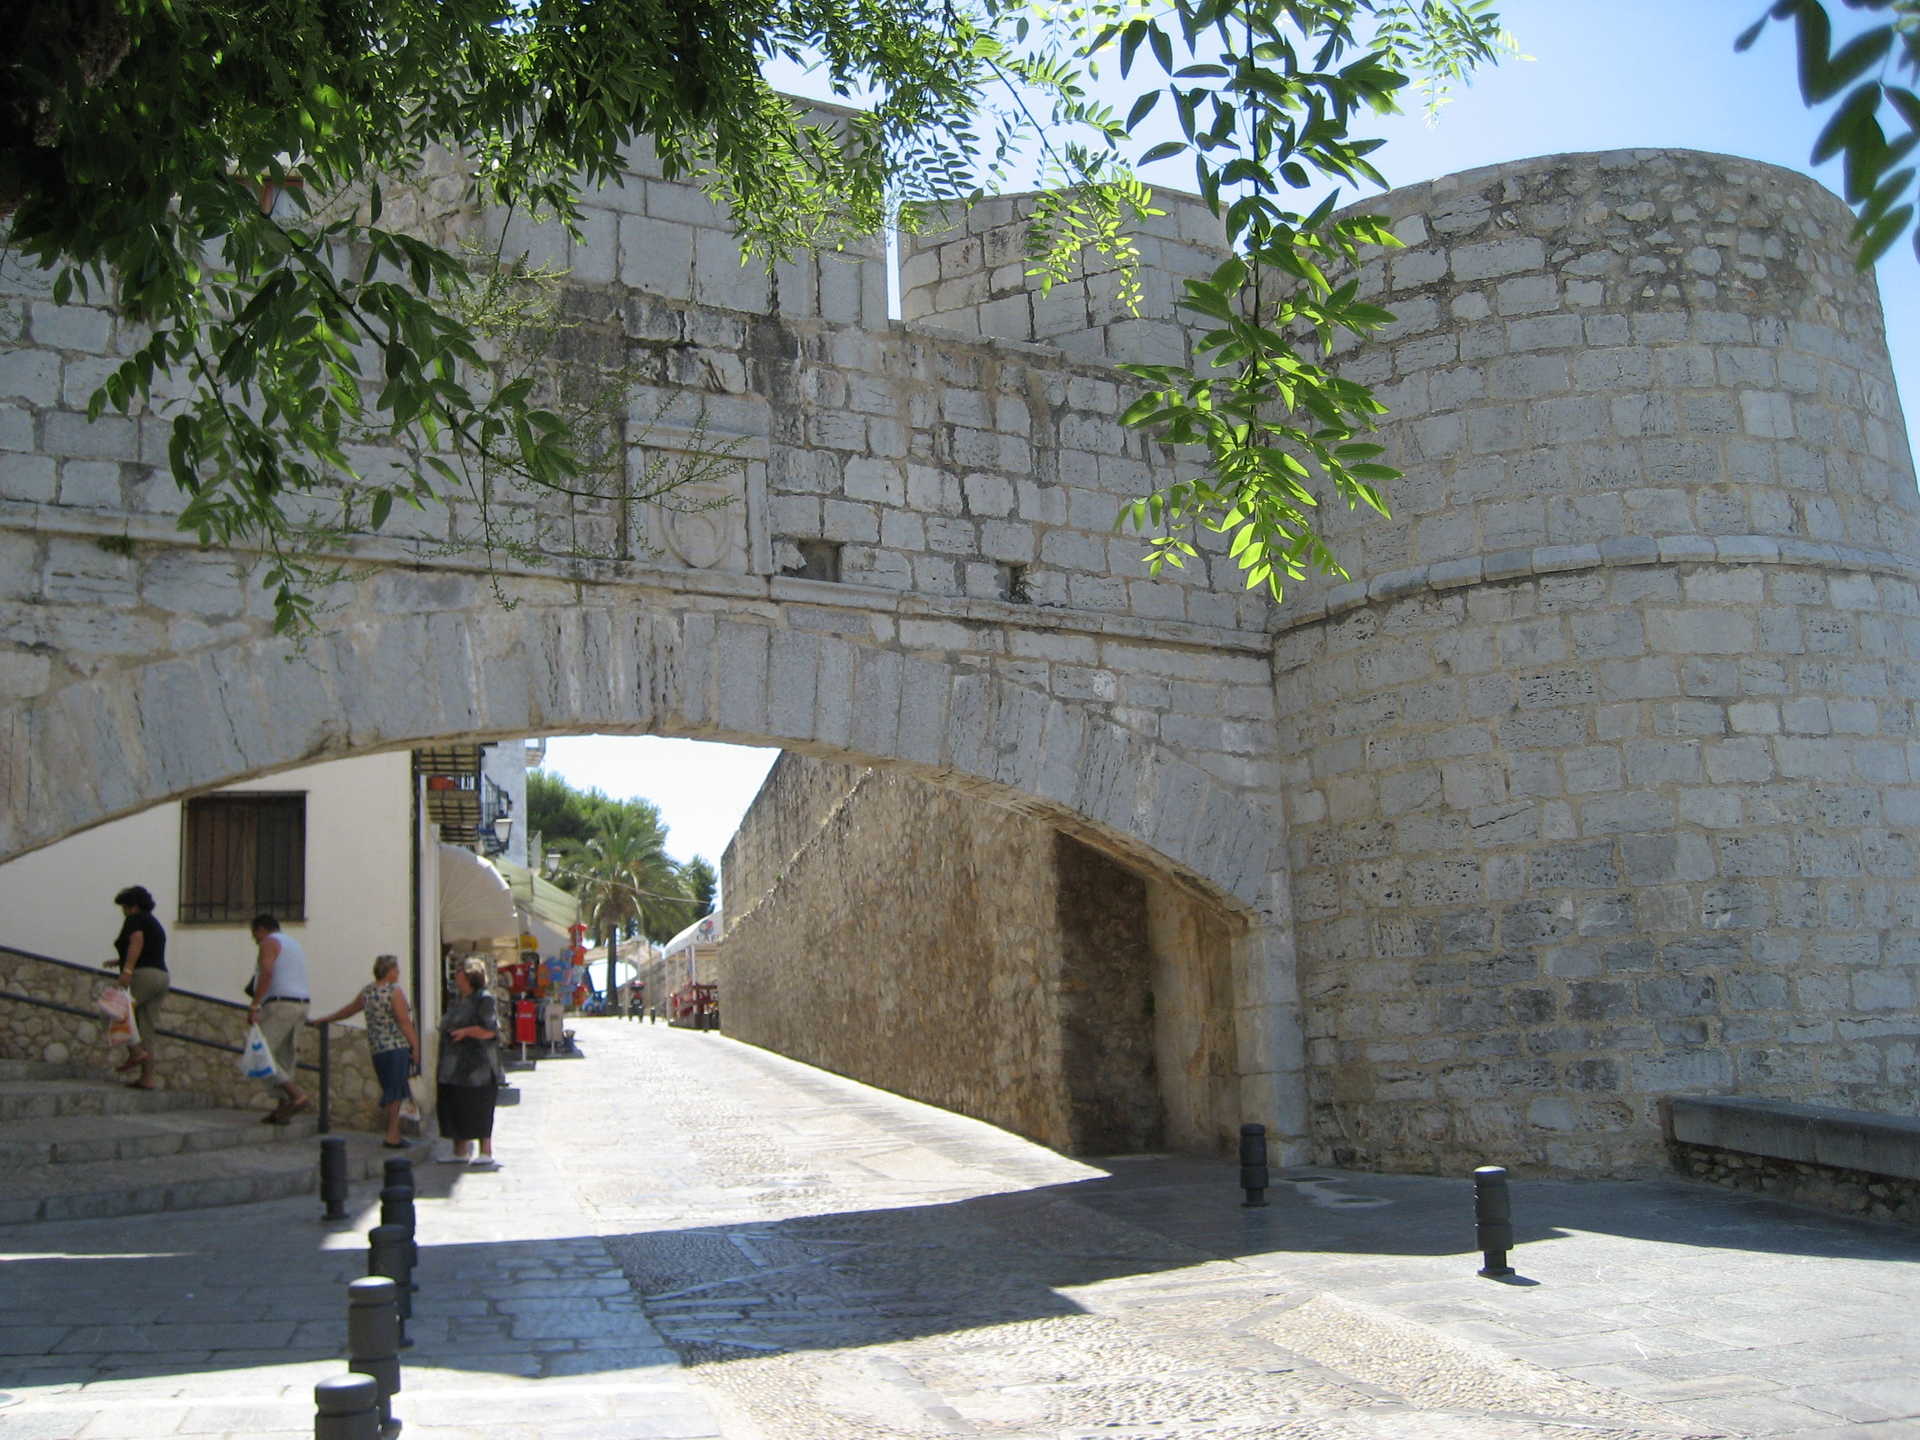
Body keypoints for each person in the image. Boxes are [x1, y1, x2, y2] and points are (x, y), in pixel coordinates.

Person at [312, 955, 421, 1148]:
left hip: (377, 1048)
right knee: (396, 1091)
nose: (398, 973)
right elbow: (404, 1023)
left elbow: (349, 1010)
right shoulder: (394, 992)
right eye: (396, 969)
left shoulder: (368, 992)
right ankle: (392, 1134)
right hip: (396, 1047)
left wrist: (326, 1018)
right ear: (389, 971)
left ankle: (392, 1132)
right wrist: (416, 1047)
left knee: (390, 1089)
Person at [248, 913, 313, 1123]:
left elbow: (267, 973)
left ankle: (297, 1095)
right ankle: (283, 1109)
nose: (254, 939)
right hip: (301, 1004)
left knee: (261, 1053)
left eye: (254, 934)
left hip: (280, 1004)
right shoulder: (293, 944)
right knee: (284, 1057)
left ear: (262, 929)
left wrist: (255, 1004)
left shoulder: (269, 942)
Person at [438, 956, 502, 1168]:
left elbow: (490, 1030)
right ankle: (460, 1151)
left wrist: (466, 1032)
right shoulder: (457, 999)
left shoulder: (484, 999)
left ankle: (485, 1151)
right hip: (453, 1066)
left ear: (468, 976)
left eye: (459, 972)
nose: (455, 976)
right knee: (456, 1105)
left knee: (479, 1106)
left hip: (478, 1067)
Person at [110, 885, 169, 1089]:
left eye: (124, 907)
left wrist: (127, 970)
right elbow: (147, 949)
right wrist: (117, 961)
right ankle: (148, 1078)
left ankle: (136, 1052)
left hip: (142, 975)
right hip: (161, 976)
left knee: (113, 1009)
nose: (123, 912)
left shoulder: (135, 919)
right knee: (146, 1028)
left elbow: (137, 941)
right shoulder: (154, 922)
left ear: (132, 906)